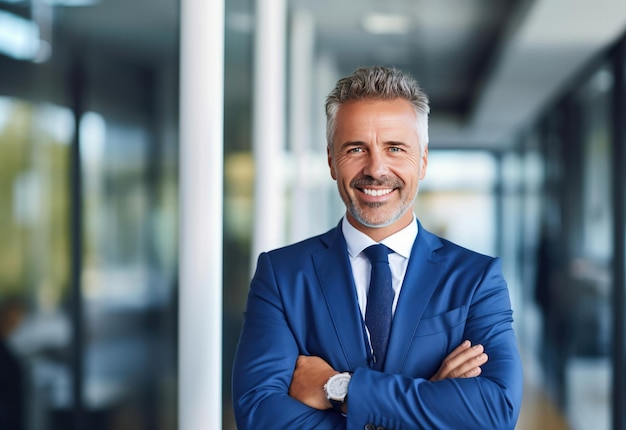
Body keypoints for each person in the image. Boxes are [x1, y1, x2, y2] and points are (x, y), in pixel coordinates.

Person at [232, 66, 523, 429]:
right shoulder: (282, 275)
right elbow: (259, 415)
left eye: (395, 148)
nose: (376, 168)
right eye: (356, 148)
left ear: (423, 160)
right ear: (331, 162)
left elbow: (495, 411)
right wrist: (430, 402)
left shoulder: (476, 279)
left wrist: (340, 388)